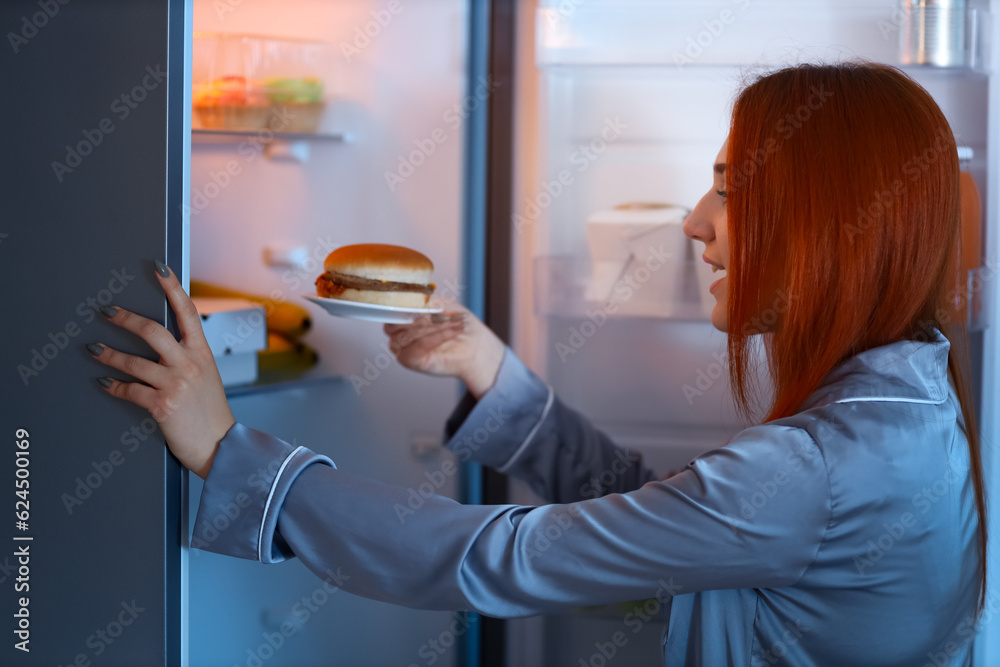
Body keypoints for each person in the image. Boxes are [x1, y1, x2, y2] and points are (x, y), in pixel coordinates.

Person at [88, 61, 986, 665]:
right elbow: (657, 526)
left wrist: (233, 455)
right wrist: (495, 374)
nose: (695, 221)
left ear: (830, 225)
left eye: (734, 186)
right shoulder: (908, 409)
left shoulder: (818, 469)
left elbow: (502, 558)